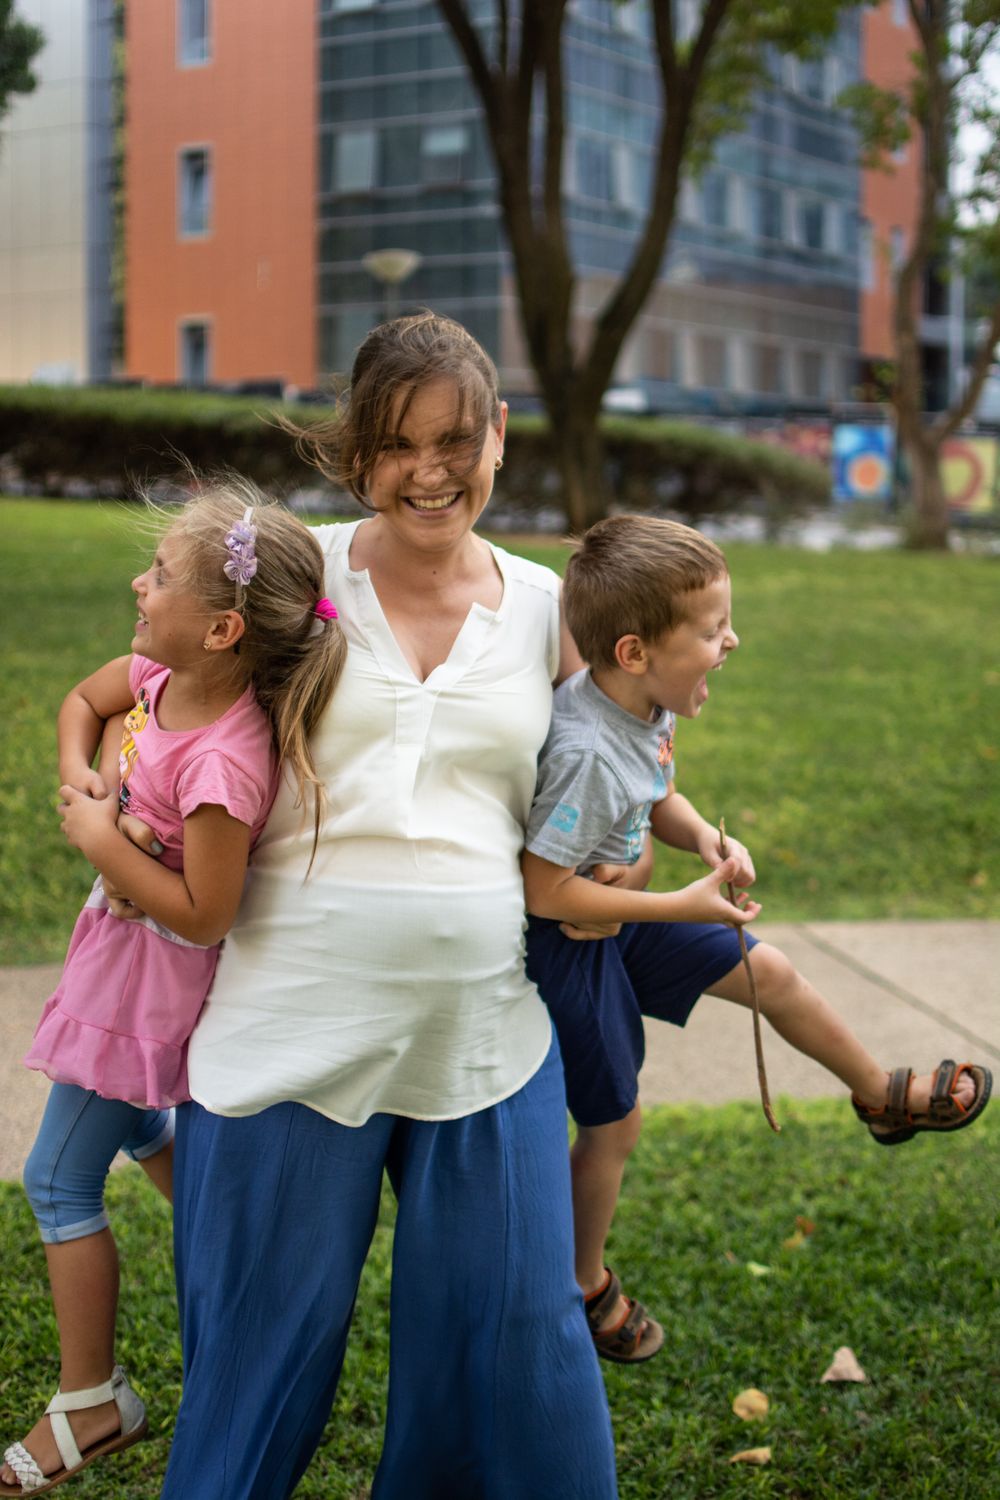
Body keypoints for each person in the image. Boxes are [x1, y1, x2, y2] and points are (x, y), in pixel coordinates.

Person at [149, 315, 620, 1499]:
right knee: (254, 1381)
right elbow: (145, 687)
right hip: (287, 1031)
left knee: (518, 1366)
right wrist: (114, 778)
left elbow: (598, 774)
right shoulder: (291, 576)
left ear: (499, 437)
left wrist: (632, 859)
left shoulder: (544, 606)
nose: (432, 471)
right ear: (359, 453)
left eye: (458, 438)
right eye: (401, 444)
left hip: (483, 1040)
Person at [522, 513, 993, 1365]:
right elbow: (542, 886)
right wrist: (680, 904)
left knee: (767, 971)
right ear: (635, 652)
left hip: (628, 913)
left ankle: (878, 1097)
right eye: (710, 630)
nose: (731, 640)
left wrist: (700, 836)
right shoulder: (586, 748)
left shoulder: (642, 708)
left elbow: (655, 796)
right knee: (615, 1126)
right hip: (575, 942)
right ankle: (584, 1283)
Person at [1, 483, 345, 1498]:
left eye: (159, 580)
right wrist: (89, 782)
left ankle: (90, 1399)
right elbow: (85, 702)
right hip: (112, 961)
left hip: (145, 991)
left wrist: (107, 845)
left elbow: (203, 912)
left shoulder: (226, 764)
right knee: (146, 1133)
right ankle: (230, 1261)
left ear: (222, 627)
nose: (138, 586)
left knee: (56, 1182)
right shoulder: (159, 670)